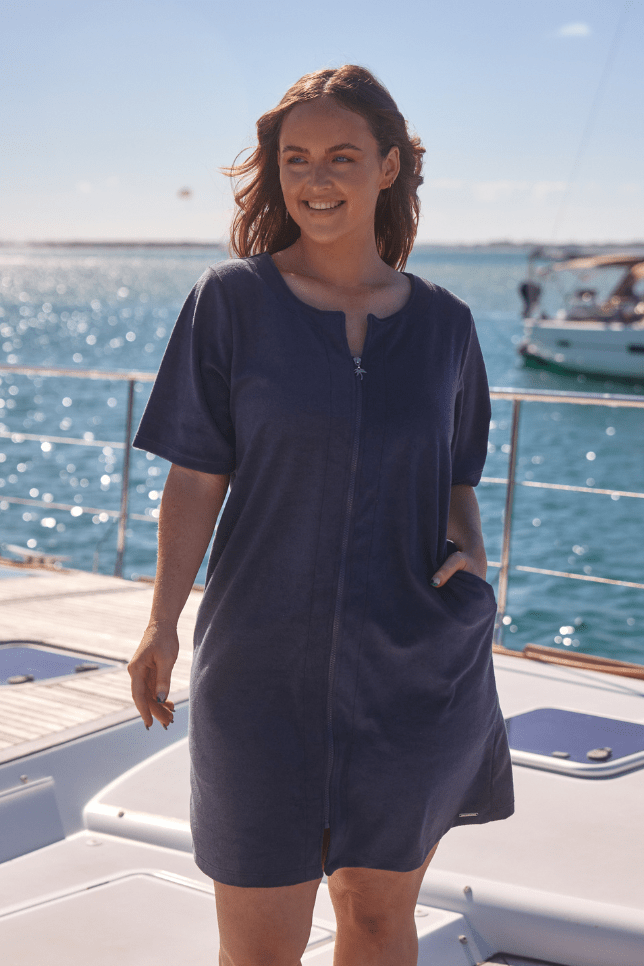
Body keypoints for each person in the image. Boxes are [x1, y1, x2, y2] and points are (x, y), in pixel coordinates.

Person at [128, 64, 515, 966]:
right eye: (296, 159)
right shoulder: (228, 303)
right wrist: (160, 623)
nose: (316, 178)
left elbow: (458, 477)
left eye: (342, 156)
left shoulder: (447, 325)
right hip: (262, 670)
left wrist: (474, 550)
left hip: (415, 667)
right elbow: (194, 479)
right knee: (262, 947)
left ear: (388, 168)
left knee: (379, 924)